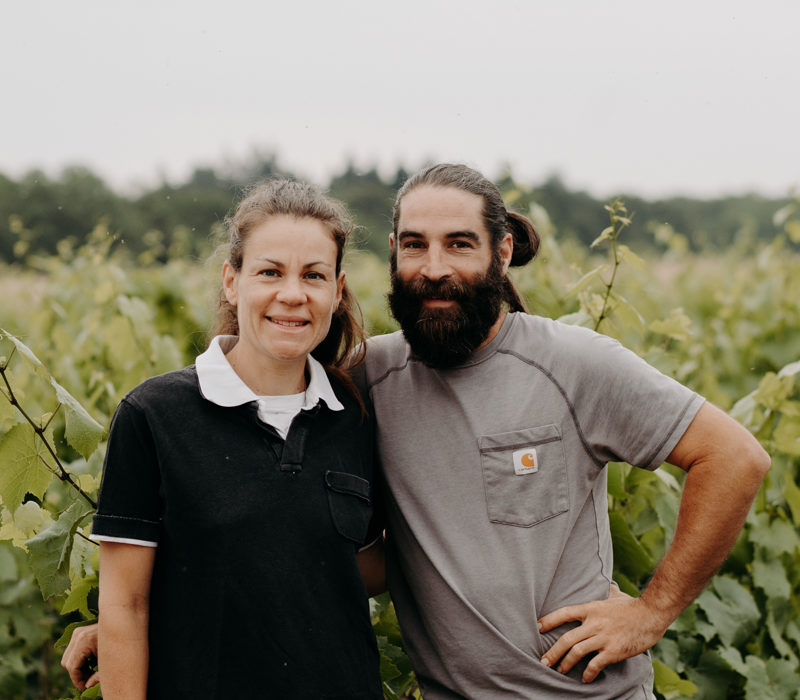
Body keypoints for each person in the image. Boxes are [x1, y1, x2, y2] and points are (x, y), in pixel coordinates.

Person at [64, 164, 770, 699]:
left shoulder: (570, 363)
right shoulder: (364, 384)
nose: (434, 267)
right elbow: (322, 547)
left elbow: (734, 456)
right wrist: (145, 614)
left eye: (459, 244)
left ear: (500, 253)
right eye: (414, 245)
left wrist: (652, 612)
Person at [73, 179, 385, 699]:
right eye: (270, 272)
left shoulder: (354, 417)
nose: (293, 294)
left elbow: (356, 568)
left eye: (314, 275)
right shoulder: (154, 416)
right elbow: (125, 605)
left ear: (337, 289)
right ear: (231, 281)